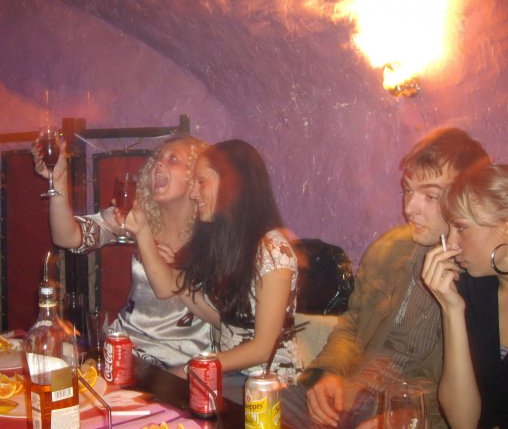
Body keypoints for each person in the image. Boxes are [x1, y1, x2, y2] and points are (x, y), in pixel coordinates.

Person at [299, 127, 490, 429]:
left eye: (430, 195)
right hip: (352, 394)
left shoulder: (480, 278)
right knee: (261, 408)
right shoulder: (389, 248)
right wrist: (330, 372)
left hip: (413, 414)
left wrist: (406, 417)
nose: (409, 208)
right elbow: (352, 325)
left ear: (466, 199)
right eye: (407, 190)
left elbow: (476, 392)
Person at [125, 139, 302, 393]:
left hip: (270, 386)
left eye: (201, 181)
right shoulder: (225, 244)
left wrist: (193, 368)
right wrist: (142, 232)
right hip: (231, 378)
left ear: (232, 183)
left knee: (164, 395)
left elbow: (262, 348)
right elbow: (171, 289)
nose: (193, 193)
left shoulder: (272, 249)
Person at [32, 135, 212, 369]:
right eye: (157, 159)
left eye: (173, 159)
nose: (159, 163)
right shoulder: (136, 216)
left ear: (196, 175)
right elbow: (66, 237)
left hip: (186, 361)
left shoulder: (214, 232)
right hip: (124, 349)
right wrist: (58, 180)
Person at [422, 163, 508, 429]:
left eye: (461, 227)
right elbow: (463, 421)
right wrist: (452, 310)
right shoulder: (474, 287)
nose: (451, 244)